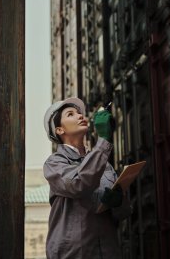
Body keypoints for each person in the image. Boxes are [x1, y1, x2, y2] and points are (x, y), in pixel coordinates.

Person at [43, 97, 132, 259]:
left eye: (80, 113)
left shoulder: (104, 164)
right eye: (71, 114)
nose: (80, 116)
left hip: (107, 252)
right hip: (73, 254)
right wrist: (103, 140)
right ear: (59, 130)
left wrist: (118, 203)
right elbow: (77, 184)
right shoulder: (54, 164)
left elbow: (125, 213)